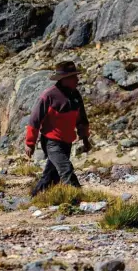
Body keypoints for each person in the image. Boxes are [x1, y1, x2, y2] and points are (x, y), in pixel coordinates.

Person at [26, 61, 91, 196]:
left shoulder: (75, 95)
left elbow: (82, 119)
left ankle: (35, 196)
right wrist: (30, 143)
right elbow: (34, 120)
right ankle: (78, 196)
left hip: (67, 141)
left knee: (52, 175)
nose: (77, 80)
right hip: (51, 142)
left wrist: (85, 139)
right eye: (74, 77)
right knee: (66, 169)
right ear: (64, 79)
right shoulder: (48, 96)